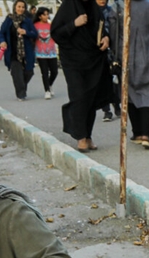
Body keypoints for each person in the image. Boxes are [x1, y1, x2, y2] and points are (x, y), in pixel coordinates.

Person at [51, 0, 114, 153]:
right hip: (72, 60)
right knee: (79, 96)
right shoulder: (68, 6)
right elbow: (56, 33)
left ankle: (87, 135)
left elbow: (101, 29)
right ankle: (80, 137)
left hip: (93, 59)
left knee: (91, 98)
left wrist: (106, 38)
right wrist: (74, 24)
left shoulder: (94, 8)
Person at [120, 0, 149, 149]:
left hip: (127, 52)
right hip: (148, 52)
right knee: (148, 92)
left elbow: (116, 31)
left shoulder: (121, 6)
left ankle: (137, 133)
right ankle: (146, 134)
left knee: (130, 92)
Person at [0, 0, 38, 101]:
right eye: (19, 6)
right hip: (13, 51)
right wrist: (2, 41)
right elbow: (1, 32)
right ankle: (21, 94)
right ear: (15, 7)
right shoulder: (9, 20)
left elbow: (35, 33)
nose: (21, 9)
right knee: (17, 74)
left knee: (29, 72)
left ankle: (21, 87)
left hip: (26, 52)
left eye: (23, 7)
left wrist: (26, 32)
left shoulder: (27, 20)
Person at [96, 0, 122, 121]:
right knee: (101, 82)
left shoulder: (112, 11)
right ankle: (106, 110)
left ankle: (116, 104)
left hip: (111, 51)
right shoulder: (91, 12)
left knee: (113, 81)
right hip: (97, 51)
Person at [34, 7, 59, 99]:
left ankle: (49, 84)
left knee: (55, 71)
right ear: (40, 16)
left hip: (51, 52)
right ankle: (47, 90)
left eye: (47, 14)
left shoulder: (51, 25)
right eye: (44, 14)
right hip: (40, 53)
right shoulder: (35, 25)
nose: (46, 16)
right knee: (44, 72)